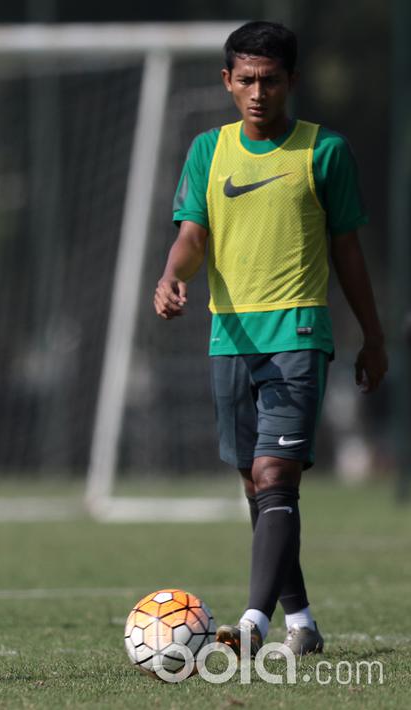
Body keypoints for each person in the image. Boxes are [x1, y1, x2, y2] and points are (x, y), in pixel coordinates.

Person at [154, 20, 386, 657]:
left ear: (293, 82)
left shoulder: (324, 151)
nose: (259, 92)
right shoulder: (208, 150)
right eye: (247, 80)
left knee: (275, 472)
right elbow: (192, 236)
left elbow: (349, 252)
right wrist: (172, 276)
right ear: (227, 81)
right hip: (229, 341)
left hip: (299, 334)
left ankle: (252, 624)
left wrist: (372, 335)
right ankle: (302, 624)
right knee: (258, 486)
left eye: (272, 80)